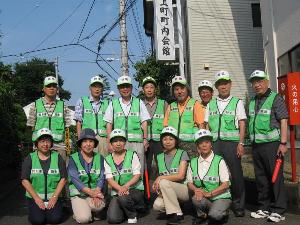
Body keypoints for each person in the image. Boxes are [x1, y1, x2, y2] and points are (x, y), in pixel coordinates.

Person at [204, 70, 247, 217]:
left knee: (236, 175)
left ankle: (239, 205)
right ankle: (218, 202)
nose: (223, 86)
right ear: (216, 86)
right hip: (215, 144)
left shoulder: (237, 102)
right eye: (220, 84)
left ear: (230, 84)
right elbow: (206, 125)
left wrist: (241, 143)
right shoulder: (211, 103)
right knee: (215, 174)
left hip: (232, 144)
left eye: (225, 83)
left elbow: (242, 124)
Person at [248, 70, 288, 223]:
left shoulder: (275, 98)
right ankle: (264, 207)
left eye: (260, 81)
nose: (257, 85)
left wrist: (283, 143)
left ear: (266, 82)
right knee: (261, 178)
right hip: (256, 146)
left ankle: (279, 209)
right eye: (254, 82)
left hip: (273, 145)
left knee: (276, 177)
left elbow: (283, 120)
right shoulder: (252, 101)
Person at [104, 75, 150, 172]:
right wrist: (109, 142)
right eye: (122, 87)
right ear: (118, 89)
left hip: (137, 143)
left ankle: (138, 187)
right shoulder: (113, 103)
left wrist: (145, 139)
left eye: (127, 86)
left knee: (138, 169)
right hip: (119, 143)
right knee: (121, 169)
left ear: (131, 88)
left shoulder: (139, 102)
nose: (125, 89)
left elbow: (144, 122)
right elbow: (108, 123)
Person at [21, 128, 67, 225]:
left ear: (51, 143)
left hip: (53, 197)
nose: (45, 144)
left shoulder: (57, 157)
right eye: (42, 141)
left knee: (54, 220)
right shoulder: (30, 158)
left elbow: (63, 179)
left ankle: (53, 210)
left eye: (48, 141)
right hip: (35, 197)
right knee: (37, 221)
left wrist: (54, 197)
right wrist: (37, 199)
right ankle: (38, 211)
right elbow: (24, 180)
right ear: (37, 143)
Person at [187, 129, 231, 225]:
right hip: (204, 197)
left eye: (207, 142)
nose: (204, 145)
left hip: (220, 197)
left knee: (215, 215)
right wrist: (196, 190)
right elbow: (189, 182)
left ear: (211, 144)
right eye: (201, 143)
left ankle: (222, 212)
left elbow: (226, 184)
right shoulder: (193, 162)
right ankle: (203, 216)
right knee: (195, 198)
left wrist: (209, 194)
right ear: (197, 146)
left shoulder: (219, 160)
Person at [26, 76, 72, 160]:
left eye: (54, 86)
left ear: (57, 89)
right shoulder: (35, 105)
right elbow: (31, 126)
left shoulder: (63, 105)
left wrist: (68, 145)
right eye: (48, 86)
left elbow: (67, 128)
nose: (51, 88)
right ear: (43, 88)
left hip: (59, 147)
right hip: (40, 147)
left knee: (61, 172)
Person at [104, 129, 145, 224]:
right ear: (111, 143)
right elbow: (109, 179)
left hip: (134, 189)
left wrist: (125, 186)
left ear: (125, 142)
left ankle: (132, 214)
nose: (118, 143)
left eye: (121, 140)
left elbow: (137, 175)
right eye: (115, 141)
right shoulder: (107, 159)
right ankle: (125, 209)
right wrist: (120, 188)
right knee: (113, 219)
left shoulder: (132, 155)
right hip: (118, 191)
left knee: (123, 198)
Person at [152, 126, 190, 225]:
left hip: (183, 190)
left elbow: (180, 176)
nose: (167, 142)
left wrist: (160, 178)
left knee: (163, 181)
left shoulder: (182, 153)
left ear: (176, 141)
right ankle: (177, 207)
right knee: (157, 205)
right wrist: (158, 187)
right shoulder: (159, 157)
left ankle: (177, 214)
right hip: (169, 190)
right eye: (165, 139)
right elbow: (158, 179)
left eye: (171, 139)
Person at [68, 128, 106, 223]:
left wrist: (96, 192)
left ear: (94, 144)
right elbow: (75, 179)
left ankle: (84, 210)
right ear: (80, 144)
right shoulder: (73, 158)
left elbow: (102, 177)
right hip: (79, 194)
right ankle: (80, 211)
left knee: (99, 206)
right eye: (84, 141)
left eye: (91, 141)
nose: (88, 144)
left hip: (94, 192)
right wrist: (91, 193)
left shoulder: (100, 157)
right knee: (84, 219)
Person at [164, 76, 205, 158]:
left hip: (191, 146)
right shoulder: (171, 106)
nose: (179, 91)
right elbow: (165, 127)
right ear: (173, 92)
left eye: (182, 88)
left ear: (187, 89)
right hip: (173, 146)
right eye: (176, 89)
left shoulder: (195, 104)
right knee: (174, 170)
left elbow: (201, 126)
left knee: (191, 170)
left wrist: (200, 145)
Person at [74, 75, 109, 156]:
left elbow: (109, 123)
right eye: (94, 86)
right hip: (87, 139)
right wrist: (80, 140)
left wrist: (109, 139)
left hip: (103, 139)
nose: (97, 89)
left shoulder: (107, 103)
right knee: (87, 163)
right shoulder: (82, 101)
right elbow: (78, 122)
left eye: (99, 86)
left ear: (102, 88)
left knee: (104, 164)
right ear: (90, 88)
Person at [141, 76, 168, 178]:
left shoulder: (163, 103)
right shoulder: (140, 104)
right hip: (145, 141)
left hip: (160, 141)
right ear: (143, 90)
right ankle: (145, 192)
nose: (149, 90)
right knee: (145, 167)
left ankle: (161, 189)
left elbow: (168, 122)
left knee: (162, 166)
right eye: (146, 87)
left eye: (151, 87)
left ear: (155, 89)